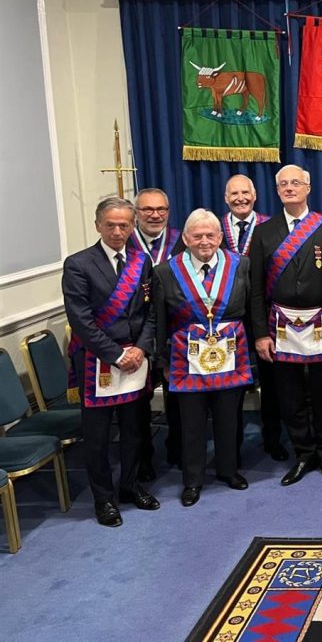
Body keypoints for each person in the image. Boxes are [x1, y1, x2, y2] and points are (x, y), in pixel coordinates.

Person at [249, 164, 322, 486]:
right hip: (280, 325)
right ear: (277, 191)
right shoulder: (264, 232)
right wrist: (260, 334)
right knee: (289, 394)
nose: (289, 188)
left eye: (295, 183)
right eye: (283, 184)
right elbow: (256, 289)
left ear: (308, 188)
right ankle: (303, 452)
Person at [63, 196, 160, 527]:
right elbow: (81, 320)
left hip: (135, 360)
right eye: (111, 225)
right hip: (98, 361)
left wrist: (141, 349)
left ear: (132, 226)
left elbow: (150, 312)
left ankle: (130, 486)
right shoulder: (78, 264)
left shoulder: (141, 261)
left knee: (135, 430)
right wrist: (117, 355)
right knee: (98, 438)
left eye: (124, 225)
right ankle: (103, 499)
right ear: (98, 226)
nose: (118, 232)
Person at [152, 209, 252, 507]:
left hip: (231, 353)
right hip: (186, 358)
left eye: (210, 235)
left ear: (220, 237)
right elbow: (160, 320)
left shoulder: (240, 265)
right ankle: (192, 480)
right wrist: (162, 361)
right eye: (197, 236)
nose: (204, 241)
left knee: (228, 417)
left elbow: (250, 308)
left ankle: (228, 470)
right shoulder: (166, 271)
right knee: (191, 423)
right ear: (185, 238)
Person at [222, 174, 285, 462]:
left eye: (245, 192)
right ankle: (230, 445)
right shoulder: (214, 229)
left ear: (255, 195)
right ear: (226, 198)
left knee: (272, 382)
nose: (240, 198)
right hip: (226, 319)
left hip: (265, 315)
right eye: (234, 194)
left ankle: (273, 438)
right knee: (229, 383)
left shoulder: (272, 228)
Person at [130, 187, 184, 482]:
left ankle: (178, 448)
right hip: (136, 336)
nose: (155, 215)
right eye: (148, 210)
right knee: (138, 402)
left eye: (161, 209)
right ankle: (143, 459)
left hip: (174, 333)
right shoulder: (124, 242)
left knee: (177, 397)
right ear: (136, 213)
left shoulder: (182, 242)